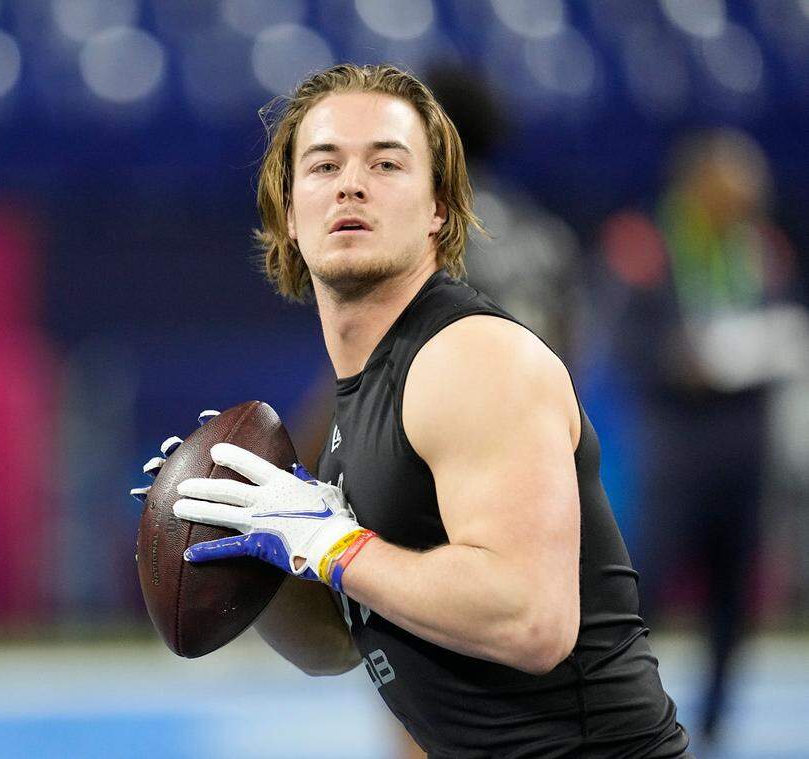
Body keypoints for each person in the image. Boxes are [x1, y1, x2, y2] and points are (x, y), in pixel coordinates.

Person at [133, 64, 690, 756]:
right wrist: (255, 545)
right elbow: (342, 644)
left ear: (439, 209)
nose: (351, 182)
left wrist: (334, 544)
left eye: (387, 163)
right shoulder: (368, 391)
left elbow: (531, 621)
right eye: (324, 163)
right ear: (288, 212)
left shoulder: (469, 358)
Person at [596, 129, 806, 746]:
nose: (750, 200)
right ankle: (621, 711)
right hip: (677, 453)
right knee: (646, 590)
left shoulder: (764, 249)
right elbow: (623, 347)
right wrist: (679, 360)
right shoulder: (648, 247)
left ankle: (713, 728)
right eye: (737, 187)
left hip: (746, 451)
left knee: (733, 605)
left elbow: (779, 324)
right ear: (698, 186)